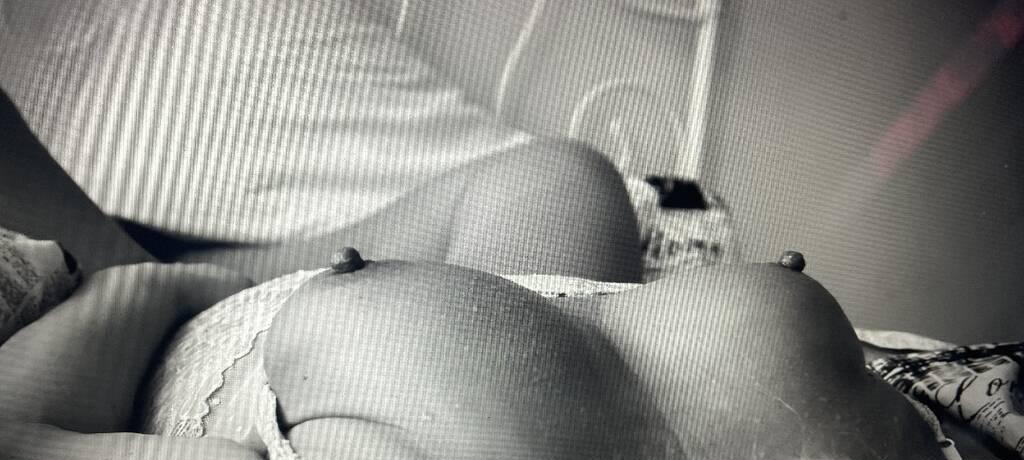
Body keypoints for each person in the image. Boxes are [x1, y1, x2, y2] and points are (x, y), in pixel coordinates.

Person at [0, 86, 945, 459]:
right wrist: (157, 288)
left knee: (558, 176)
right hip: (273, 368)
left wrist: (198, 282)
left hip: (382, 342)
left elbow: (127, 269)